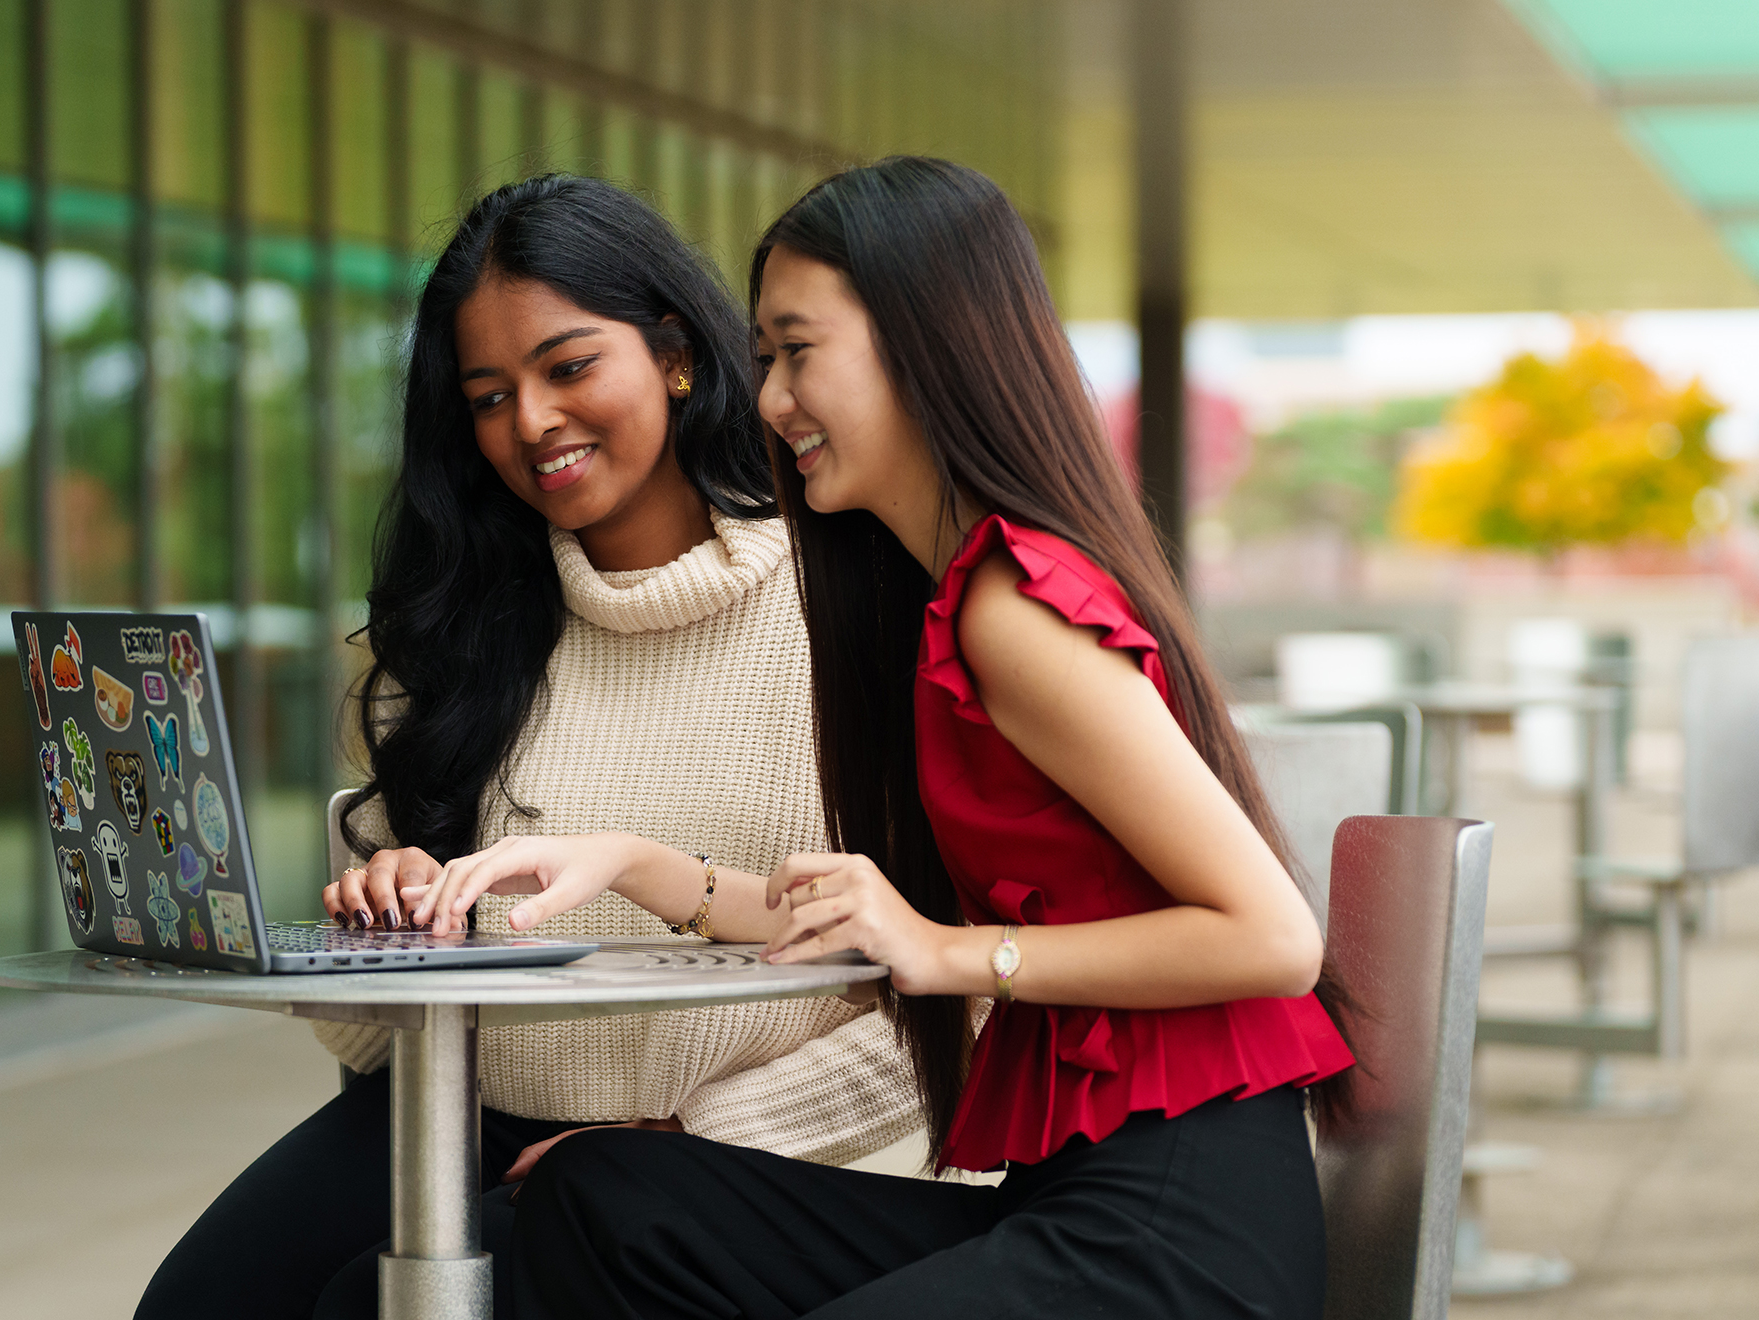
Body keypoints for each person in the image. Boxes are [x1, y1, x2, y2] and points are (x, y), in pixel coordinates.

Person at [402, 156, 1357, 1319]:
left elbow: (1269, 938)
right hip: (1061, 1205)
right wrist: (636, 865)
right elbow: (882, 920)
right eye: (763, 358)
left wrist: (958, 957)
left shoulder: (1019, 606)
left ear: (923, 344)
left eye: (799, 351)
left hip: (1176, 1249)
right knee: (611, 1196)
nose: (768, 401)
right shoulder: (933, 601)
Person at [134, 175, 919, 1320]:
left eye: (568, 367)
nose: (530, 423)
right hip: (444, 1111)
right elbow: (369, 1047)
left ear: (677, 354)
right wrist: (389, 917)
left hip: (712, 1152)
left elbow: (940, 996)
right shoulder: (465, 625)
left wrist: (689, 1138)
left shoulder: (849, 610)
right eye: (489, 395)